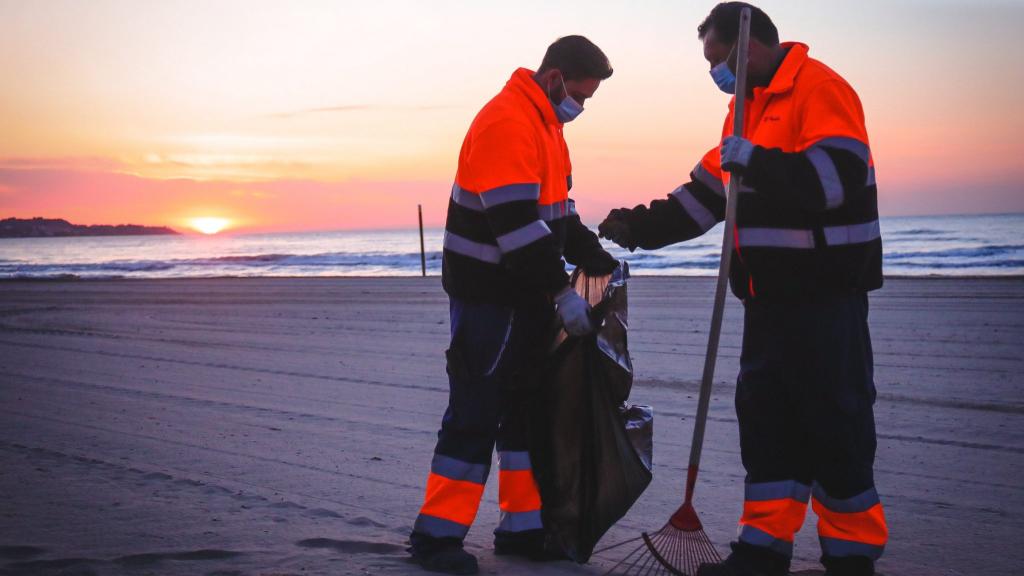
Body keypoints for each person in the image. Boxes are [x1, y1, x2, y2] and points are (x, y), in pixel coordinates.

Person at [598, 3, 888, 576]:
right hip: (767, 298)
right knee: (767, 418)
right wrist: (640, 227)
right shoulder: (744, 110)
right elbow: (706, 196)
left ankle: (852, 553)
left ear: (749, 46)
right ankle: (762, 548)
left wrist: (756, 159)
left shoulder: (821, 90)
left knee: (835, 417)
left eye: (718, 59)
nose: (715, 73)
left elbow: (833, 181)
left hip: (825, 297)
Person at [409, 35, 619, 575]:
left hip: (523, 295)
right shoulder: (506, 122)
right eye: (580, 95)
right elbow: (516, 225)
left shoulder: (548, 129)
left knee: (525, 412)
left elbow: (557, 213)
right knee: (477, 410)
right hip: (490, 296)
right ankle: (436, 537)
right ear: (554, 79)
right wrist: (562, 292)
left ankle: (523, 527)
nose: (581, 107)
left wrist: (592, 253)